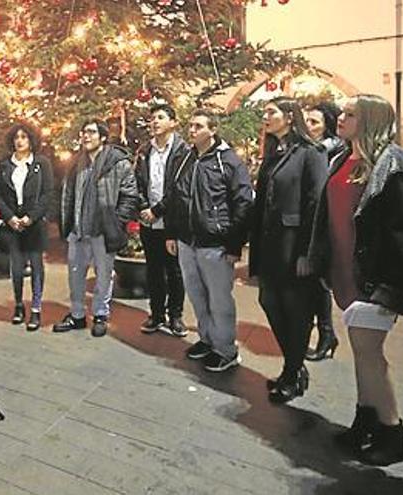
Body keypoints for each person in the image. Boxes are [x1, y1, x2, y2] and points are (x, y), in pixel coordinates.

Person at [308, 94, 403, 466]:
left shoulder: (396, 165)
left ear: (371, 120)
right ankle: (365, 420)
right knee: (362, 354)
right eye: (341, 113)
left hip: (375, 280)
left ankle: (393, 431)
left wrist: (390, 289)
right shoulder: (343, 158)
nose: (340, 119)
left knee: (371, 355)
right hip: (346, 274)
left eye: (350, 114)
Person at [250, 97, 327, 402]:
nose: (265, 117)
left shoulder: (311, 153)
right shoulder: (273, 152)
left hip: (293, 245)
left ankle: (293, 372)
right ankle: (294, 366)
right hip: (269, 244)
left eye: (271, 112)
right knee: (269, 301)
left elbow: (316, 203)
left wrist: (309, 252)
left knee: (295, 310)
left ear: (290, 117)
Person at [165, 109, 254, 372]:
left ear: (212, 130)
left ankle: (225, 349)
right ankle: (206, 339)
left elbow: (243, 203)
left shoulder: (228, 162)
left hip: (214, 242)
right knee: (196, 295)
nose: (192, 130)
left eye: (198, 126)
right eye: (190, 125)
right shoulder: (186, 158)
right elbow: (176, 196)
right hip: (187, 241)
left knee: (219, 299)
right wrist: (172, 232)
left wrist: (234, 244)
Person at [54, 119, 140, 337]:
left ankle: (101, 314)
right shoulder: (75, 162)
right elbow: (67, 194)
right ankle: (77, 315)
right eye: (83, 132)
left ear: (103, 137)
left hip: (103, 230)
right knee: (75, 274)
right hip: (78, 229)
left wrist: (115, 221)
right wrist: (67, 223)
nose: (86, 136)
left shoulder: (117, 162)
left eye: (91, 132)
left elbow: (130, 195)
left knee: (103, 274)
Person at [134, 103, 189, 337]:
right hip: (149, 221)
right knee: (153, 270)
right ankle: (156, 314)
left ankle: (175, 315)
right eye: (152, 118)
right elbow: (137, 182)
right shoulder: (145, 151)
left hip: (172, 221)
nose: (154, 122)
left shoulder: (183, 151)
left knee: (175, 271)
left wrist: (158, 210)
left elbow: (180, 187)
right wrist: (145, 207)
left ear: (173, 122)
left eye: (160, 117)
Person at [0, 122, 53, 331]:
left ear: (31, 140)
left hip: (33, 223)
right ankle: (19, 305)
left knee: (37, 267)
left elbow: (47, 194)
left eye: (24, 137)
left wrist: (32, 217)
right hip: (12, 224)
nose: (20, 141)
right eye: (17, 137)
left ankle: (36, 308)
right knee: (16, 268)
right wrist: (9, 217)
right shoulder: (4, 164)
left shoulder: (41, 163)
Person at [303, 100, 343, 361]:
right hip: (310, 223)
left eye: (314, 122)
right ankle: (325, 334)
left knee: (317, 281)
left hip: (324, 225)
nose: (308, 126)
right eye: (306, 120)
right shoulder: (309, 149)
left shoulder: (332, 153)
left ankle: (326, 333)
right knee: (312, 282)